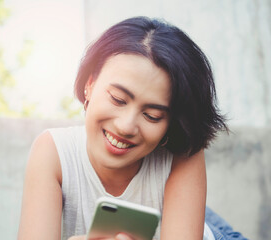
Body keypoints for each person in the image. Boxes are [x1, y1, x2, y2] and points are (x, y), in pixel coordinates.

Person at [17, 16, 248, 240]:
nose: (126, 126)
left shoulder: (183, 154)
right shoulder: (53, 151)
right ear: (90, 85)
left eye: (152, 115)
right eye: (118, 99)